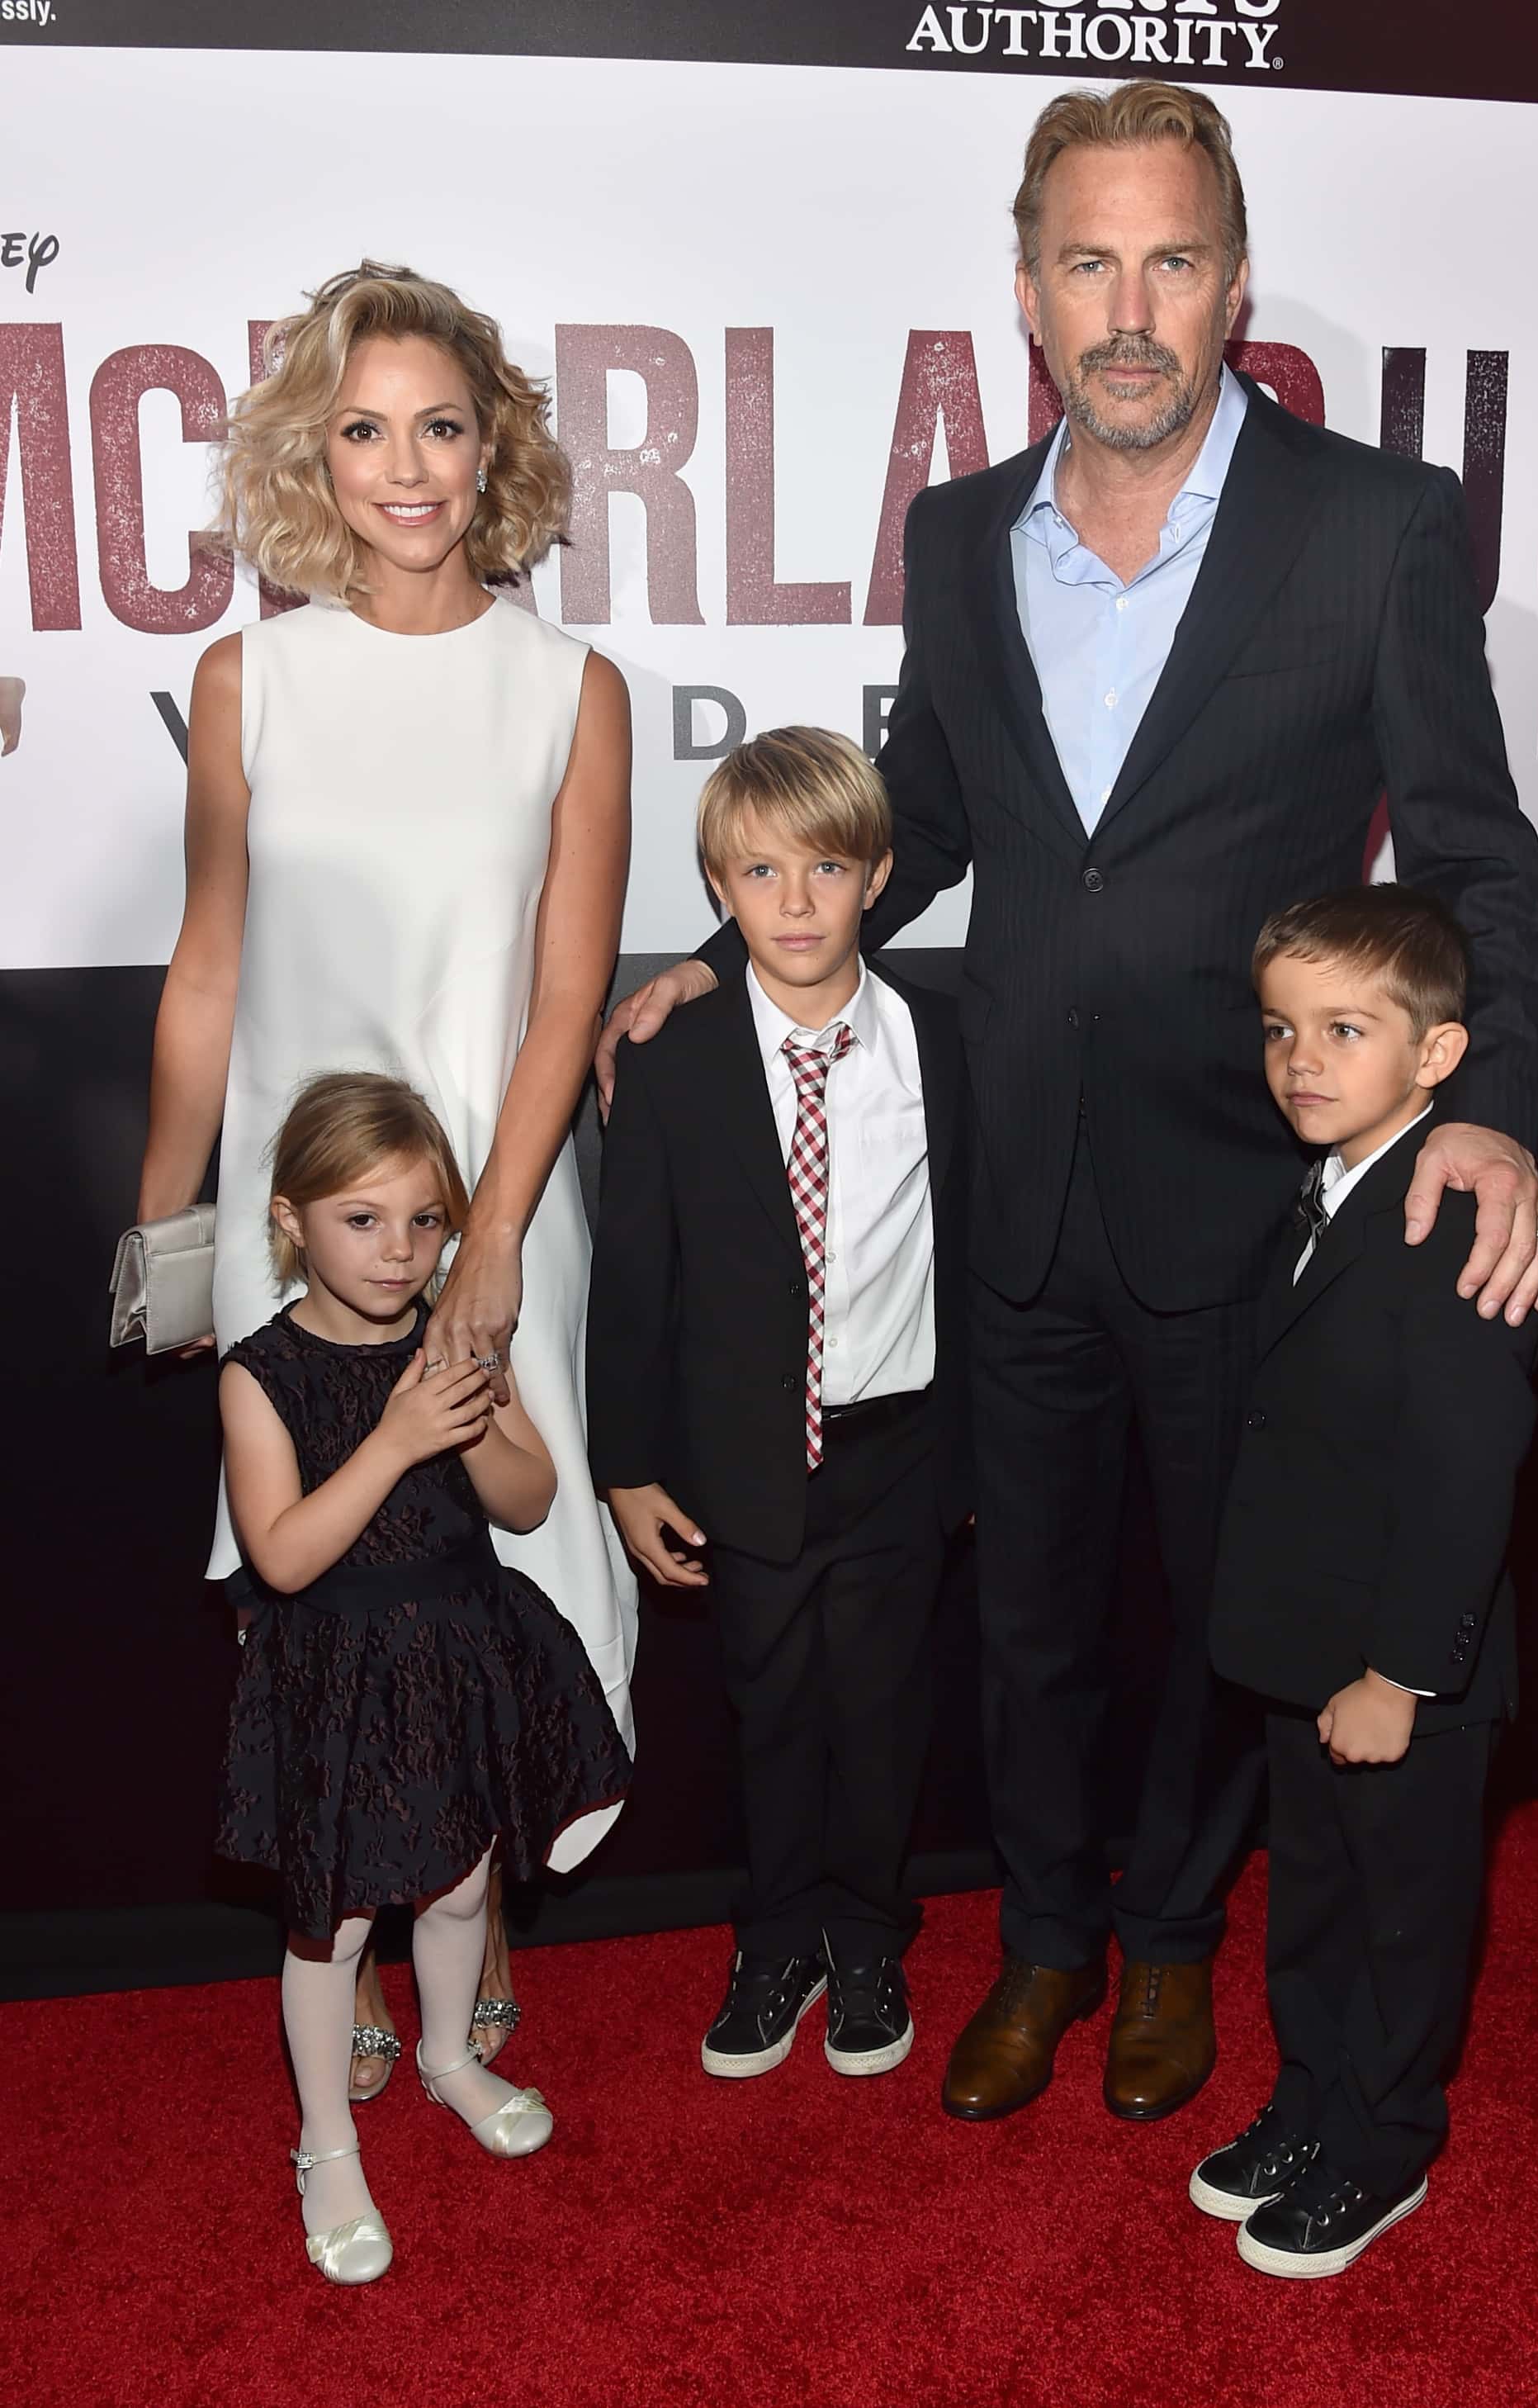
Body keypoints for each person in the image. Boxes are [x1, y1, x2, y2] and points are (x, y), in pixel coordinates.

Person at [596, 79, 1538, 2128]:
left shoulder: (1370, 523)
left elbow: (1473, 859)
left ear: (1232, 283)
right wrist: (726, 953)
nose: (1131, 308)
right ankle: (1040, 1944)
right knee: (1024, 1621)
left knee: (1235, 1623)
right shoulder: (959, 536)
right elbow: (924, 825)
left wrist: (1496, 1110)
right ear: (1027, 292)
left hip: (1257, 1203)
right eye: (1087, 262)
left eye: (1174, 261)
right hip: (1009, 1190)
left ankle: (1171, 1948)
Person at [137, 263, 636, 2095]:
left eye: (439, 425)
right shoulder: (245, 675)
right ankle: (339, 1908)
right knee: (326, 1585)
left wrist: (496, 1233)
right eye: (364, 430)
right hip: (292, 1212)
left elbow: (566, 990)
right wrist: (171, 1236)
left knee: (511, 1561)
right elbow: (205, 971)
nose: (405, 467)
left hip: (496, 1196)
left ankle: (473, 1892)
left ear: (491, 443)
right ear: (310, 455)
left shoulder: (569, 689)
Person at [586, 730, 970, 2079]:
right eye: (760, 872)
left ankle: (867, 1934)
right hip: (745, 1455)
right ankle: (775, 1937)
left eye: (825, 869)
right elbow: (633, 1282)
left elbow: (979, 1254)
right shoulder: (675, 1060)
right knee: (770, 1705)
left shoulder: (943, 1040)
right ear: (717, 885)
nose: (796, 903)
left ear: (876, 877)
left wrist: (976, 1447)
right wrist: (627, 1464)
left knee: (881, 1707)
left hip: (902, 1447)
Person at [217, 1073, 631, 2283]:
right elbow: (283, 1556)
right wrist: (395, 1437)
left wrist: (480, 1413)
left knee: (460, 1888)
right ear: (292, 1220)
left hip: (458, 1649)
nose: (399, 1253)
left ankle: (450, 2058)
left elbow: (531, 1499)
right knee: (333, 1920)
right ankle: (327, 2140)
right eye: (362, 1220)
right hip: (337, 1669)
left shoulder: (456, 1342)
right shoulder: (261, 1375)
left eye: (425, 1222)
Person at [1192, 888, 1538, 2278]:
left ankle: (1385, 2139)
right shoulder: (1322, 1191)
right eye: (1282, 1031)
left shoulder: (1456, 1225)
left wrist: (1403, 1674)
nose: (1304, 1062)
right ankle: (1312, 2101)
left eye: (1346, 1030)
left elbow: (1470, 1478)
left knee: (1402, 1919)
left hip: (1407, 1675)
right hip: (1302, 1645)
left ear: (1439, 1057)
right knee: (1314, 1901)